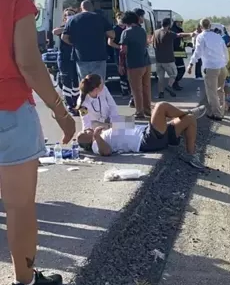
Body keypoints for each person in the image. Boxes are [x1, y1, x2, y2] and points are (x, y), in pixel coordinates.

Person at [0, 0, 76, 285]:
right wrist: (62, 112)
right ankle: (25, 283)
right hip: (9, 113)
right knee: (18, 207)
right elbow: (29, 64)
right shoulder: (15, 1)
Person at [76, 102, 207, 169]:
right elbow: (107, 152)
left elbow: (130, 124)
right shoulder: (95, 145)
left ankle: (191, 155)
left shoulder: (104, 131)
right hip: (146, 140)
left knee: (189, 119)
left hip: (147, 131)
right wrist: (97, 137)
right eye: (84, 133)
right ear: (87, 141)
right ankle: (186, 112)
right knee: (162, 106)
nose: (86, 130)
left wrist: (110, 124)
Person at [61, 0, 114, 80]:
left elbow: (64, 37)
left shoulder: (73, 20)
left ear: (81, 8)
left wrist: (74, 44)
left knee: (84, 83)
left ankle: (85, 92)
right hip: (99, 56)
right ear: (92, 8)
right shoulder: (100, 18)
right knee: (98, 83)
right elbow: (112, 34)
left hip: (81, 56)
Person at [189, 19, 228, 121]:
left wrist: (191, 64)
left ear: (201, 26)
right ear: (210, 26)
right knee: (220, 90)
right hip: (222, 66)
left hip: (211, 67)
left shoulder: (201, 37)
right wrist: (225, 63)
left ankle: (217, 114)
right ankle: (221, 111)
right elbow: (225, 51)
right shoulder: (218, 36)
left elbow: (198, 52)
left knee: (212, 92)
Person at [119, 11, 151, 120]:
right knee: (146, 87)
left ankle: (139, 112)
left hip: (134, 64)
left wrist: (121, 65)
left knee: (136, 89)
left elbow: (123, 51)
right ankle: (148, 110)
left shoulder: (126, 32)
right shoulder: (142, 31)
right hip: (146, 63)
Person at [153, 18, 193, 99]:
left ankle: (161, 93)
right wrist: (190, 34)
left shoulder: (156, 32)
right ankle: (169, 86)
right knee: (174, 74)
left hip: (158, 60)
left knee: (161, 78)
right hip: (168, 60)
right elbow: (179, 35)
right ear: (169, 25)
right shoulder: (168, 33)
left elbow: (152, 43)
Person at [52, 8, 79, 115]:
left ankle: (77, 103)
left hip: (75, 57)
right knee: (66, 81)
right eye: (67, 15)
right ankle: (69, 105)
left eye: (71, 14)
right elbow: (55, 31)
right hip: (64, 58)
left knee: (76, 82)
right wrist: (67, 29)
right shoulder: (63, 28)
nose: (69, 16)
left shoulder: (77, 28)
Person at [107, 12, 132, 102]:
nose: (121, 19)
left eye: (122, 17)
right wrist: (119, 47)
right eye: (119, 17)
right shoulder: (114, 29)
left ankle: (130, 89)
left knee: (130, 72)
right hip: (118, 54)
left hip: (129, 54)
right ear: (116, 19)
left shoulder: (128, 29)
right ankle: (124, 91)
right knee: (122, 72)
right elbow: (110, 43)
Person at [170, 18, 187, 90]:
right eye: (180, 22)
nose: (181, 24)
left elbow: (181, 41)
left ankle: (175, 83)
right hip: (176, 53)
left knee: (179, 69)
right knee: (181, 69)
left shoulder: (178, 29)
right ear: (176, 22)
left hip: (179, 52)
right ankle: (174, 83)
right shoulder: (174, 30)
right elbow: (176, 42)